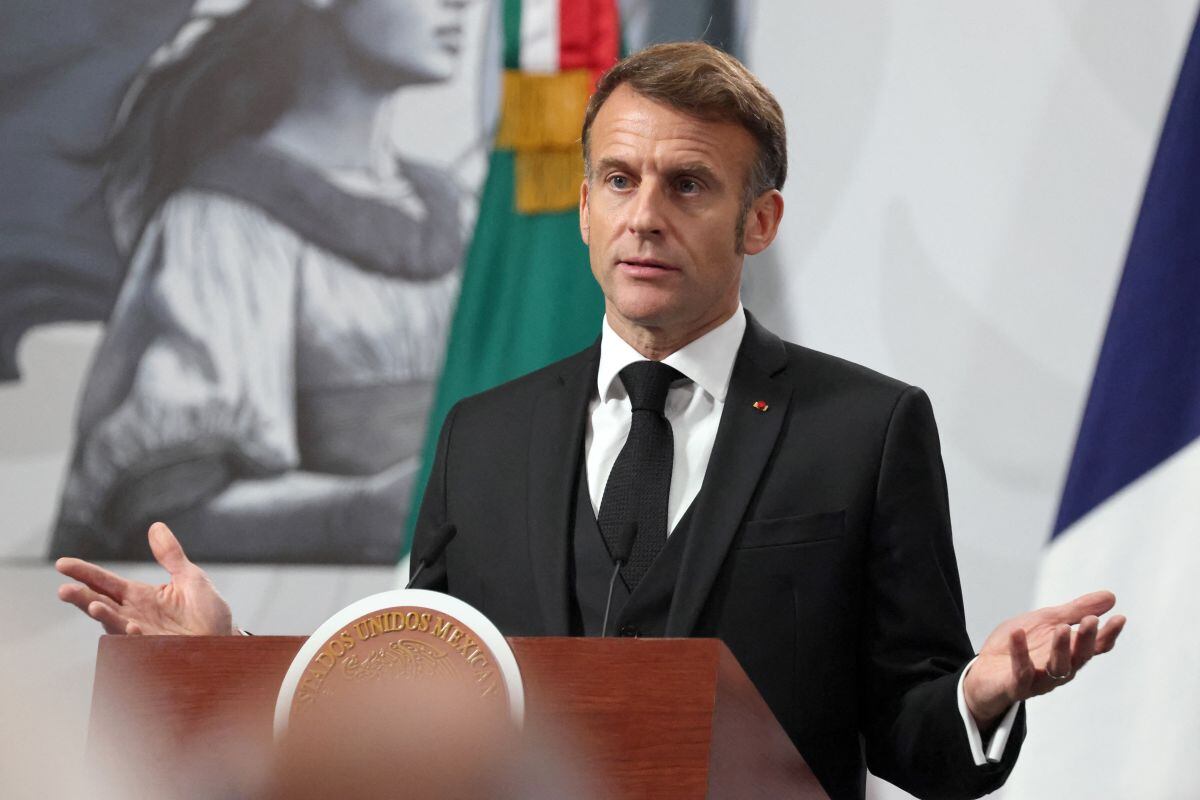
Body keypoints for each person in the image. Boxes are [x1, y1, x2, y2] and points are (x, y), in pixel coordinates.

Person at [57, 42, 1125, 800]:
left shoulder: (869, 427)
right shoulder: (485, 433)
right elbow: (419, 685)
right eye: (618, 178)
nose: (645, 213)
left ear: (760, 219)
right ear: (582, 207)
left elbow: (915, 730)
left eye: (688, 184)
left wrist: (983, 693)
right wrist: (224, 656)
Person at [49, 0, 471, 564]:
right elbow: (167, 509)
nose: (462, 3)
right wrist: (368, 509)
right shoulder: (224, 221)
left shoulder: (458, 208)